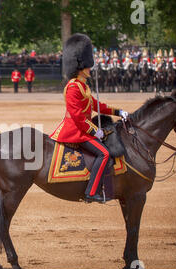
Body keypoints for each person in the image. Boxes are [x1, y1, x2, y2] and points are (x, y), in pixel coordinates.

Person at [49, 33, 129, 203]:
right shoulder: (72, 87)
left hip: (83, 128)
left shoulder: (82, 86)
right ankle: (91, 192)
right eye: (88, 66)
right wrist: (95, 130)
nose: (90, 68)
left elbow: (97, 106)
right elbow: (77, 116)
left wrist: (118, 111)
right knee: (105, 153)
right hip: (75, 131)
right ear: (81, 66)